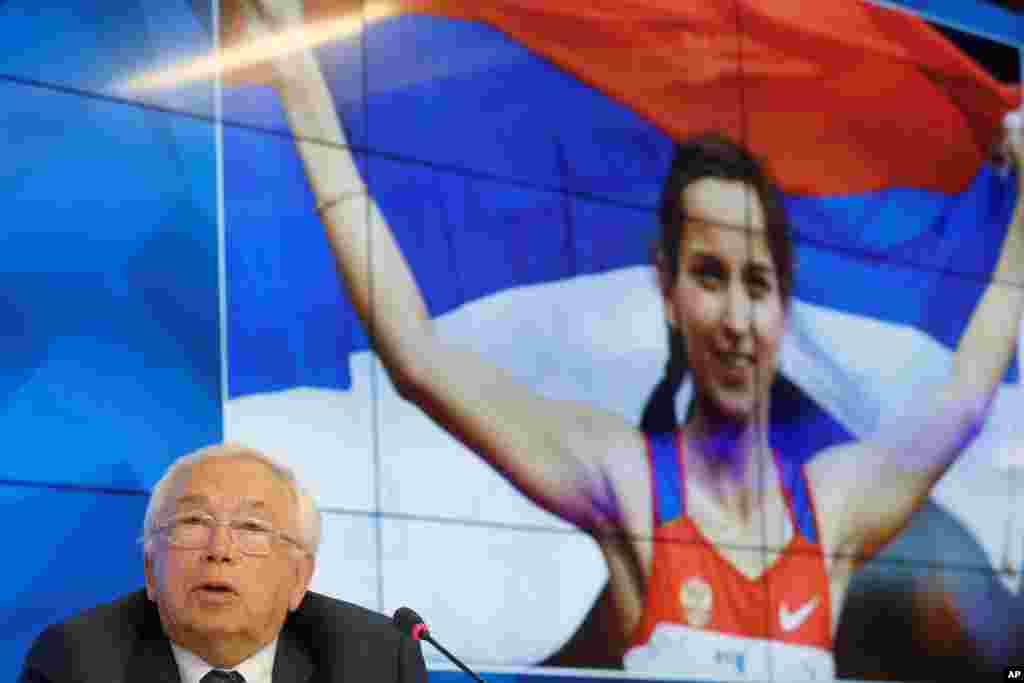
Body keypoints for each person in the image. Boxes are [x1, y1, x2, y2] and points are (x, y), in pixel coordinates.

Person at [236, 1, 1024, 678]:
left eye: (758, 285)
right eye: (710, 275)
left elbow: (966, 396)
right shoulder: (629, 482)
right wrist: (302, 80)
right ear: (669, 291)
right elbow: (415, 354)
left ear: (784, 307)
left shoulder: (833, 509)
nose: (736, 320)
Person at [19, 442, 427, 683]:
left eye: (251, 527)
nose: (220, 549)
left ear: (299, 577)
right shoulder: (75, 663)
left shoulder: (376, 663)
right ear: (149, 570)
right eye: (193, 521)